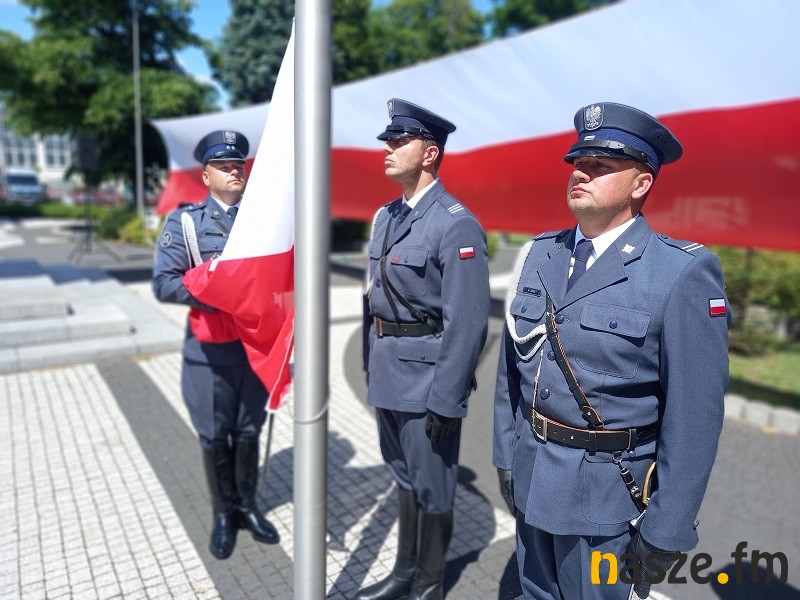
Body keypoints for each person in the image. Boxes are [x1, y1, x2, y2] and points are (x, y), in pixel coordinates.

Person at [493, 102, 731, 600]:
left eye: (600, 165)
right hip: (534, 475)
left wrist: (667, 528)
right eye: (578, 163)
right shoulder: (541, 253)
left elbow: (695, 417)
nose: (581, 173)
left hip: (605, 501)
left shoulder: (680, 273)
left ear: (641, 184)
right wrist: (506, 456)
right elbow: (511, 370)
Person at [354, 99, 491, 600]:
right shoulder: (387, 217)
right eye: (387, 141)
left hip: (427, 379)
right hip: (389, 371)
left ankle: (428, 587)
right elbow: (372, 296)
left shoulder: (455, 223)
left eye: (399, 141)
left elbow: (468, 320)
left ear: (430, 153)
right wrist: (369, 364)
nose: (387, 148)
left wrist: (447, 398)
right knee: (404, 478)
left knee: (432, 487)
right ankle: (403, 576)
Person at [152, 130, 279, 560]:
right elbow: (164, 283)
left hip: (256, 347)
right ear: (205, 176)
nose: (234, 170)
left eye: (238, 164)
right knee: (213, 434)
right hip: (211, 352)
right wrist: (218, 291)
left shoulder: (265, 222)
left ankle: (247, 506)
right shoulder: (186, 223)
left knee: (248, 430)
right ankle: (223, 513)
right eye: (223, 166)